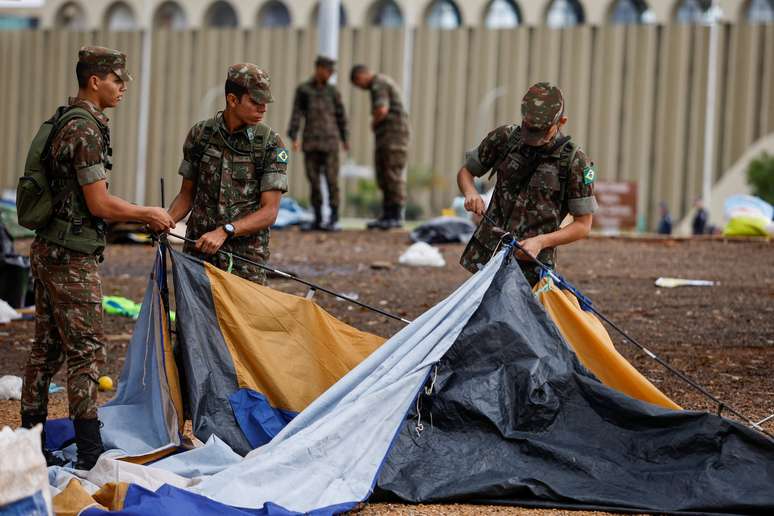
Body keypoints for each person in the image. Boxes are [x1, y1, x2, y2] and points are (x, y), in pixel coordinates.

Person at [20, 46, 176, 469]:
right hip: (70, 258)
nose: (123, 87)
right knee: (87, 351)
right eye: (117, 79)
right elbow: (100, 204)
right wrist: (147, 213)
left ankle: (31, 445)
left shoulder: (66, 121)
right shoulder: (85, 128)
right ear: (95, 80)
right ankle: (89, 452)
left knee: (46, 349)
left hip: (50, 249)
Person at [457, 82, 597, 286]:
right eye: (528, 129)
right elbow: (466, 172)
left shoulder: (575, 162)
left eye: (540, 132)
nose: (532, 138)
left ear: (561, 122)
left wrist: (541, 241)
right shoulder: (504, 138)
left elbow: (583, 226)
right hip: (488, 255)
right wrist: (470, 192)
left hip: (532, 266)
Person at [168, 64, 288, 285]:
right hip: (198, 253)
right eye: (255, 102)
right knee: (195, 319)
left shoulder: (270, 144)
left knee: (240, 321)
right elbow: (186, 195)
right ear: (233, 100)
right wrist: (166, 220)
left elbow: (269, 211)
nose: (263, 108)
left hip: (245, 261)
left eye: (265, 102)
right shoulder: (201, 135)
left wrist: (226, 231)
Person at [288, 55, 348, 231]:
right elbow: (297, 114)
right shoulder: (304, 90)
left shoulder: (333, 92)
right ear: (319, 68)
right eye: (328, 70)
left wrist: (345, 138)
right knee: (314, 182)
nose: (330, 74)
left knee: (332, 181)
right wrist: (294, 136)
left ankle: (334, 218)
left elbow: (341, 115)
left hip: (330, 143)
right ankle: (318, 218)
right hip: (311, 143)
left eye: (331, 71)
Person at [350, 64, 410, 229]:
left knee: (391, 173)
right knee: (384, 173)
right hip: (388, 136)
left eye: (358, 82)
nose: (360, 87)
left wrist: (373, 122)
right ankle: (388, 214)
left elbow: (382, 110)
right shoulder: (380, 83)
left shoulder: (378, 83)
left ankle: (395, 215)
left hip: (393, 136)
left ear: (361, 75)